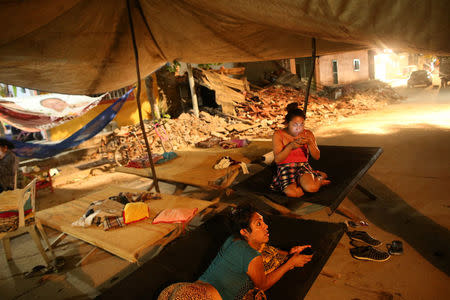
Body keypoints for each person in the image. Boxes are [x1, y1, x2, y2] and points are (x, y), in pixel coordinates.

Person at [158, 204, 313, 300]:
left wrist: (288, 254)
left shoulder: (233, 239)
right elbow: (263, 285)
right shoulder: (252, 257)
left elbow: (262, 248)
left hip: (181, 289)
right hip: (199, 295)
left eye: (263, 221)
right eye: (259, 224)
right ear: (245, 232)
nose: (266, 226)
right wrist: (291, 263)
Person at [270, 103, 330, 197]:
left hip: (302, 166)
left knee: (312, 188)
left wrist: (310, 143)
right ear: (287, 123)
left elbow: (317, 156)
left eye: (302, 124)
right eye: (295, 125)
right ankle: (313, 178)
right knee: (292, 193)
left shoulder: (308, 134)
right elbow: (278, 160)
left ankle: (319, 179)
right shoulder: (278, 134)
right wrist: (290, 146)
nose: (299, 128)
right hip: (286, 167)